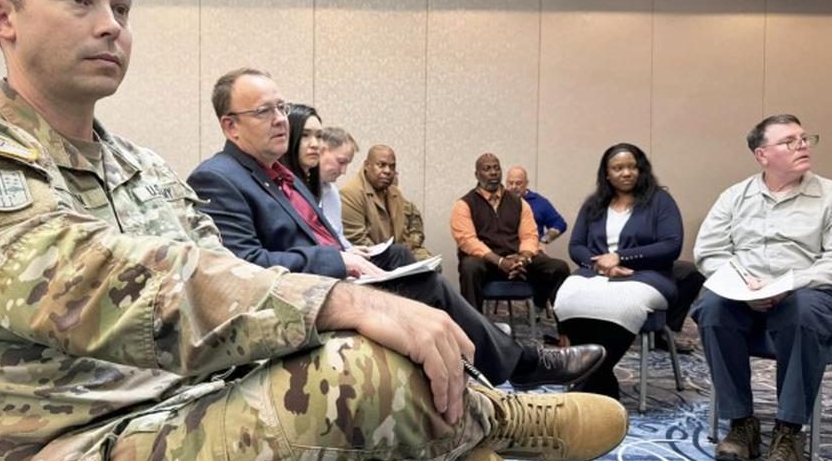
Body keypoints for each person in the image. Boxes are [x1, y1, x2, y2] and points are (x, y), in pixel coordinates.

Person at [0, 0, 629, 461]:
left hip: (194, 408)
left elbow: (221, 268)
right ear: (2, 17)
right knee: (366, 374)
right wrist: (334, 300)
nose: (110, 26)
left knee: (439, 457)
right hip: (71, 459)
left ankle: (480, 443)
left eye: (122, 8)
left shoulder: (139, 165)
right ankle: (496, 415)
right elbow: (100, 286)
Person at [187, 68, 608, 393]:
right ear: (230, 126)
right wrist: (339, 260)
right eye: (264, 112)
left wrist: (354, 253)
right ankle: (519, 365)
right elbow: (243, 267)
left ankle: (492, 369)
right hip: (304, 295)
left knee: (407, 262)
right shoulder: (218, 178)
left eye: (281, 107)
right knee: (425, 285)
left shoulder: (280, 173)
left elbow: (318, 233)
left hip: (332, 272)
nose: (281, 120)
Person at [692, 114, 830, 461]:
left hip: (805, 295)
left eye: (805, 139)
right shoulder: (735, 197)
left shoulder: (828, 196)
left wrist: (789, 284)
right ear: (762, 155)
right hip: (744, 296)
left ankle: (789, 434)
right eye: (790, 141)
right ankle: (742, 424)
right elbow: (709, 252)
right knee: (711, 308)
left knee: (803, 309)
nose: (803, 145)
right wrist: (742, 286)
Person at [553, 143, 683, 401]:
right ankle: (601, 380)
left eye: (632, 166)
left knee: (623, 305)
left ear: (641, 169)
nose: (626, 173)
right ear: (607, 174)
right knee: (564, 298)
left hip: (647, 275)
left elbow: (672, 245)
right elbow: (576, 245)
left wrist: (621, 257)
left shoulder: (660, 201)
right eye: (618, 168)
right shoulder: (594, 205)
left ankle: (588, 379)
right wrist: (600, 264)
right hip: (596, 273)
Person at [452, 154, 571, 313]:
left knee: (559, 268)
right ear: (477, 174)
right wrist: (500, 261)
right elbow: (467, 241)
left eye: (496, 168)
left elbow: (529, 236)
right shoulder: (464, 204)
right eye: (487, 169)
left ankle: (553, 323)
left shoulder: (519, 203)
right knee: (469, 266)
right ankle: (474, 329)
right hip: (486, 263)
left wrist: (523, 258)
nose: (493, 172)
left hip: (517, 262)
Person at [340, 145, 435, 261]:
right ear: (367, 165)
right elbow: (358, 241)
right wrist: (397, 256)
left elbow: (401, 236)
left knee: (430, 267)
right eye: (381, 165)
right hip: (368, 261)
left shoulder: (395, 193)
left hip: (394, 257)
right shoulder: (350, 194)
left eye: (392, 166)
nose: (387, 171)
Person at [505, 165, 568, 246]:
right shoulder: (499, 200)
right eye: (510, 183)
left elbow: (560, 223)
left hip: (533, 251)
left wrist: (544, 241)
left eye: (518, 183)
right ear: (506, 183)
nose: (514, 187)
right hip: (505, 251)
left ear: (526, 183)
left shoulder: (540, 202)